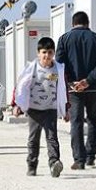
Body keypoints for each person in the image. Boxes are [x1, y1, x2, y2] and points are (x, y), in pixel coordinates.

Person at [56, 11, 96, 170]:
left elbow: (59, 65)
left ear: (73, 23)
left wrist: (71, 83)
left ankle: (79, 160)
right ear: (87, 23)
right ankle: (91, 156)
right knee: (93, 121)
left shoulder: (64, 39)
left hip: (73, 90)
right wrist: (88, 81)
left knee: (76, 122)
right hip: (93, 88)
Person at [13, 37, 67, 178]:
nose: (46, 56)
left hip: (51, 109)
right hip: (34, 110)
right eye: (44, 52)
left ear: (54, 53)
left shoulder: (58, 69)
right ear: (38, 53)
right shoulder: (32, 68)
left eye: (49, 52)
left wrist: (66, 109)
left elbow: (63, 89)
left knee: (52, 138)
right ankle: (32, 165)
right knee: (33, 139)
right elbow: (20, 86)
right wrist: (16, 105)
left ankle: (54, 163)